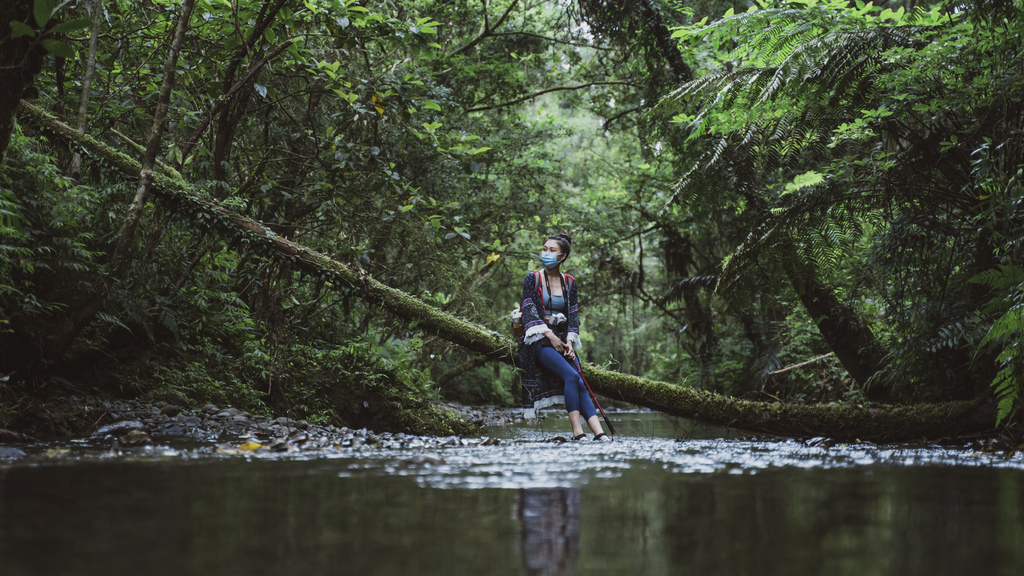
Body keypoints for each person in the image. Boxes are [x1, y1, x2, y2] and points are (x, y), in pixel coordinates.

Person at [517, 232, 611, 441]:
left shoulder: (570, 282)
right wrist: (550, 337)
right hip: (539, 340)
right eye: (544, 249)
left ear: (563, 257)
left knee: (580, 382)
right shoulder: (532, 278)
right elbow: (529, 309)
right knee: (571, 376)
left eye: (552, 251)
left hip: (562, 340)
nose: (546, 253)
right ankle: (578, 432)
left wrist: (569, 341)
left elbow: (573, 315)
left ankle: (599, 433)